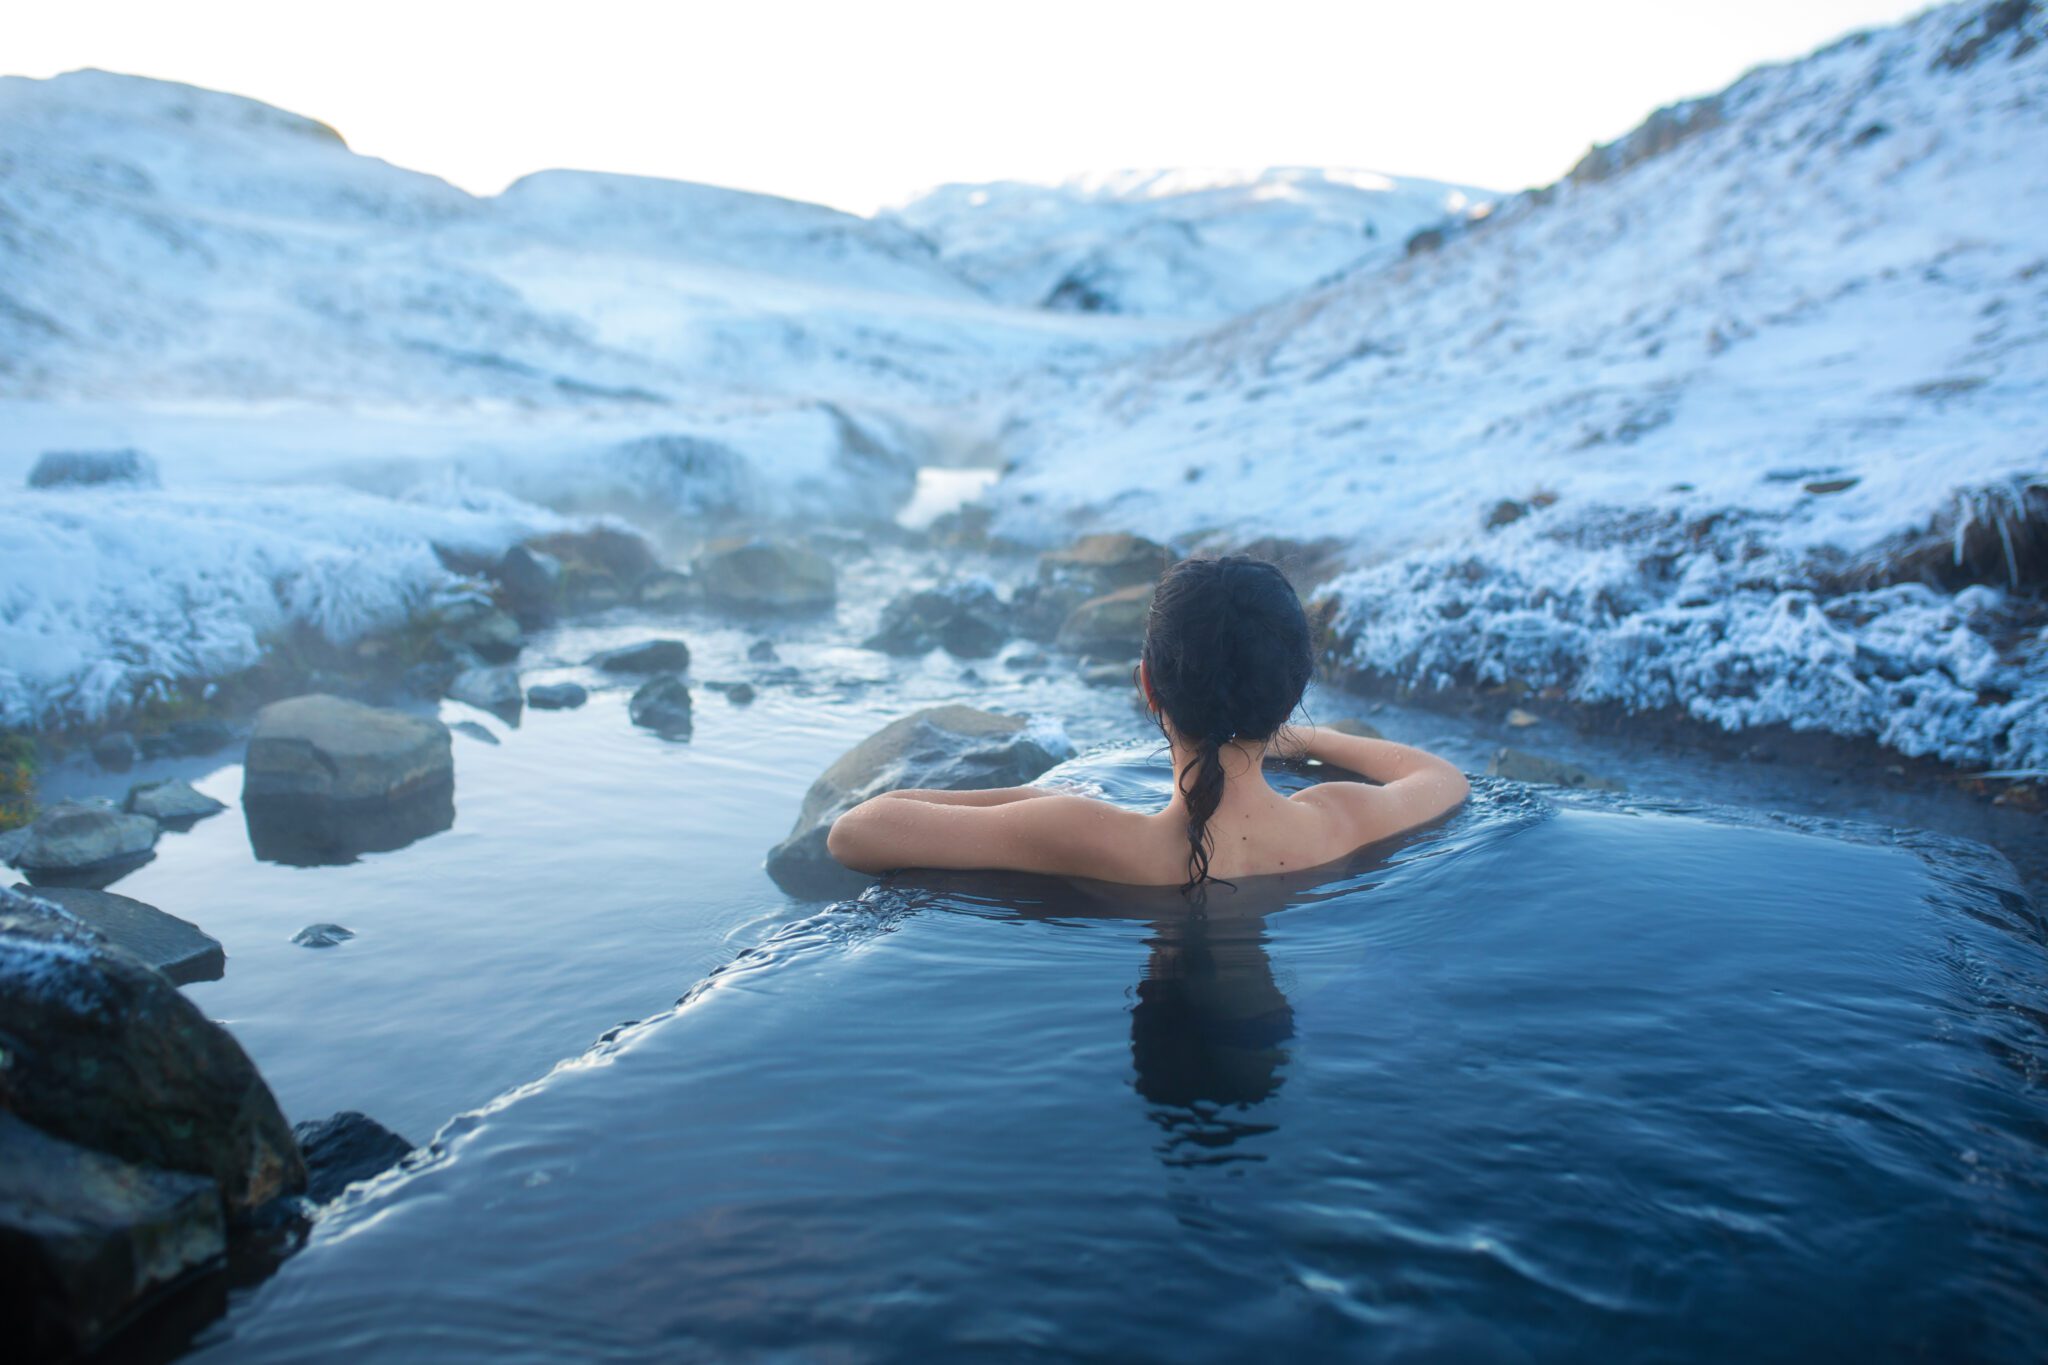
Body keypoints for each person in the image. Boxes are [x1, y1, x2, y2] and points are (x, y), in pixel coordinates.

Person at [827, 555, 1470, 893]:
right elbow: (1439, 776)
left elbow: (856, 832)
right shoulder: (1340, 818)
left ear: (1146, 686)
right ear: (1295, 689)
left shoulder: (1079, 832)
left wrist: (1033, 797)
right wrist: (1297, 738)